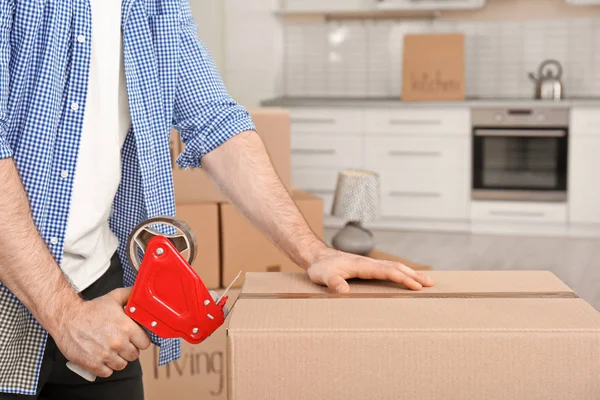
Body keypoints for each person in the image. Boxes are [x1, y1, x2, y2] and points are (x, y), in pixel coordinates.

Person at [0, 0, 434, 398]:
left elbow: (213, 119)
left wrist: (314, 251)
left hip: (97, 289)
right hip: (17, 294)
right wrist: (62, 313)